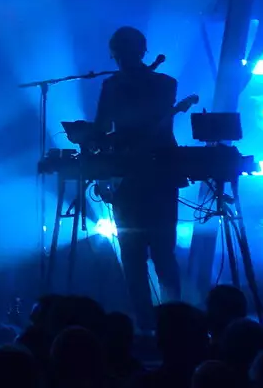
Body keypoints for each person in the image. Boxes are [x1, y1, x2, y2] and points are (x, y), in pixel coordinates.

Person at [94, 26, 182, 326]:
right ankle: (155, 323)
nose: (121, 60)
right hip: (137, 176)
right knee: (139, 256)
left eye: (123, 54)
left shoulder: (161, 84)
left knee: (156, 254)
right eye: (118, 56)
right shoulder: (116, 85)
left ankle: (165, 323)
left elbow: (120, 125)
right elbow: (103, 127)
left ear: (140, 53)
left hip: (152, 174)